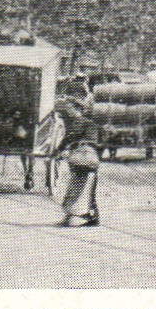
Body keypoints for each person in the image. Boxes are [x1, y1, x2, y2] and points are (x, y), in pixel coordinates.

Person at [56, 97, 100, 227]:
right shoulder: (73, 124)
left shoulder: (88, 123)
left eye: (70, 108)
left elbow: (92, 141)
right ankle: (76, 217)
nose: (68, 111)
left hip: (85, 158)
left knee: (81, 188)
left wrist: (76, 145)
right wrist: (59, 151)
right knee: (77, 187)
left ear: (78, 109)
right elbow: (65, 140)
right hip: (78, 159)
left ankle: (81, 217)